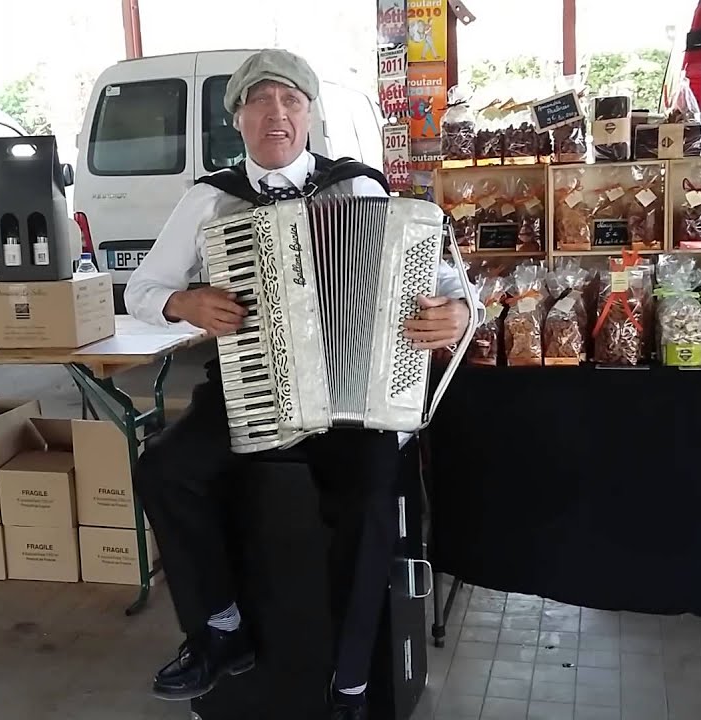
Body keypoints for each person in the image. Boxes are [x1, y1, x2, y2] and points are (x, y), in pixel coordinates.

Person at [124, 48, 475, 720]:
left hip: (352, 402)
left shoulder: (359, 188)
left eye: (290, 100)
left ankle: (349, 681)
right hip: (252, 387)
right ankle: (220, 631)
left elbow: (447, 282)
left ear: (310, 114)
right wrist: (185, 303)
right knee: (166, 467)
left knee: (373, 492)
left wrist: (457, 311)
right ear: (238, 119)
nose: (276, 114)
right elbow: (143, 290)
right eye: (259, 101)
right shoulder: (210, 198)